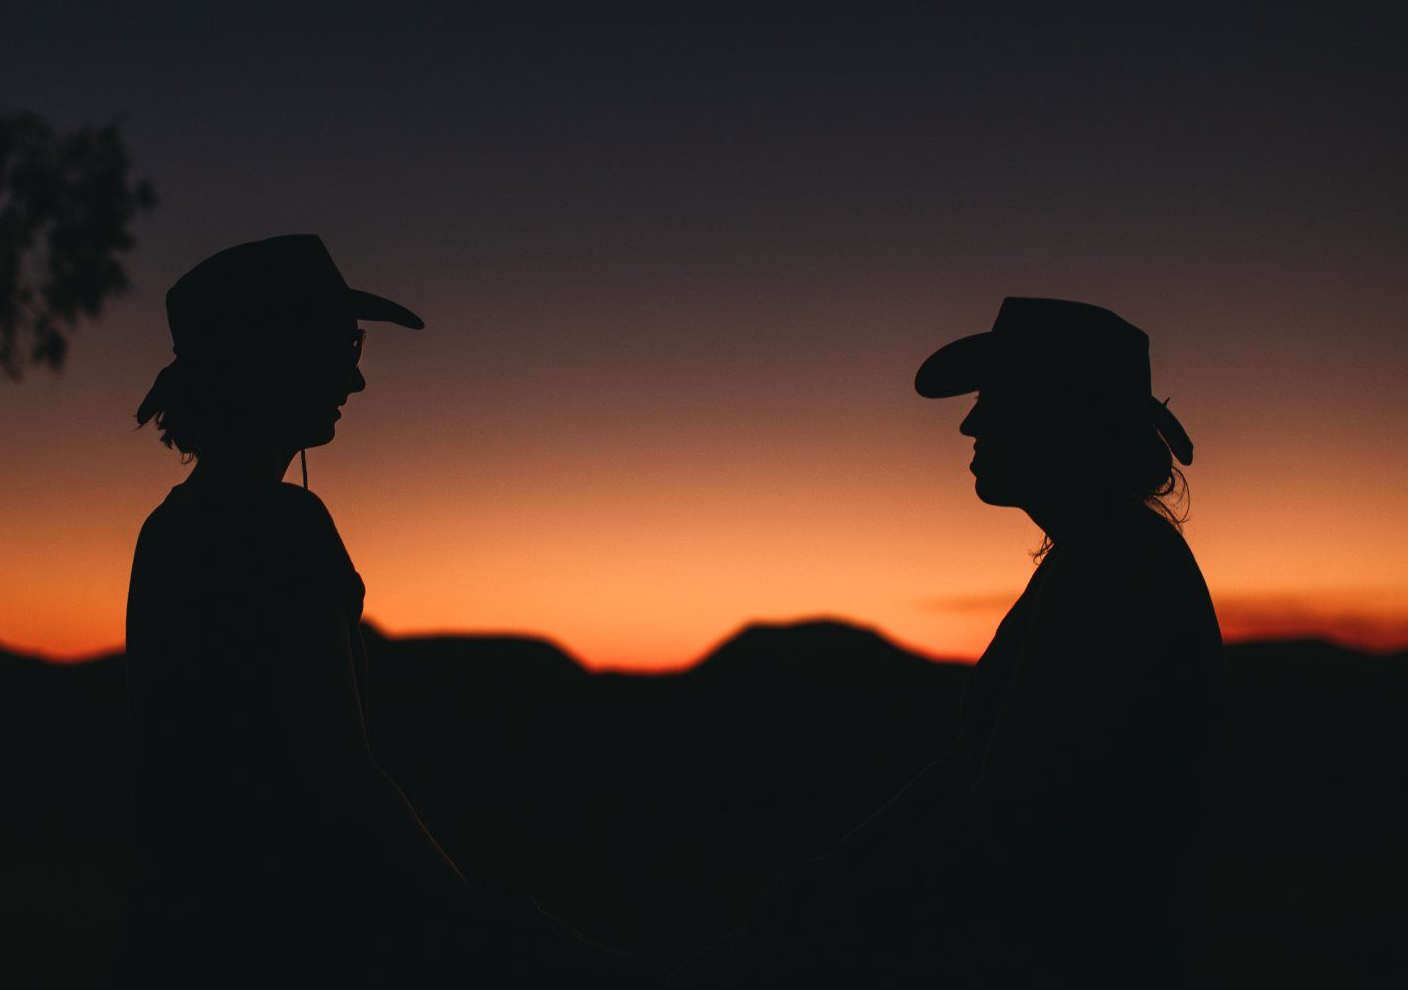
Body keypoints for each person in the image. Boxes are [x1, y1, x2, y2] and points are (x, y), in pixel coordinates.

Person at [120, 234, 632, 986]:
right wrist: (479, 923)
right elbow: (342, 780)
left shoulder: (168, 530)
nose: (355, 376)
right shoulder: (284, 529)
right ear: (272, 356)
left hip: (178, 942)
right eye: (339, 342)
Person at [679, 297, 1222, 986]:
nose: (970, 422)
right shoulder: (1102, 558)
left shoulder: (1114, 569)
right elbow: (975, 768)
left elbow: (1011, 813)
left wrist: (828, 913)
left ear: (1060, 413)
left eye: (996, 397)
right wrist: (832, 874)